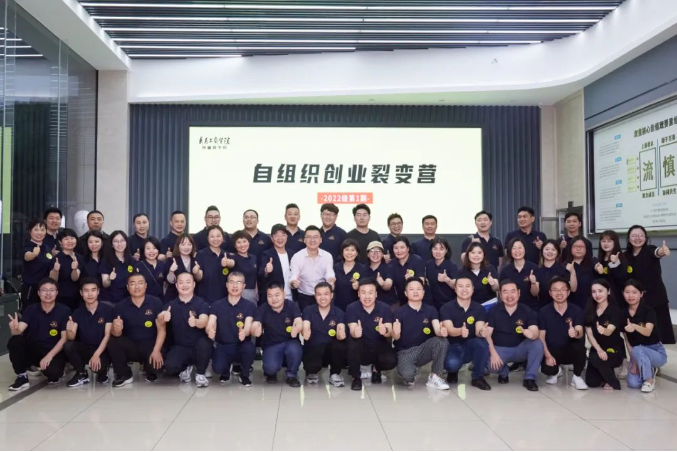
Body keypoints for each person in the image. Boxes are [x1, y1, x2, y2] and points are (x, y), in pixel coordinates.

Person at [7, 278, 70, 390]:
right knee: (15, 341)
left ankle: (52, 367)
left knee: (54, 375)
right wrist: (14, 328)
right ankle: (22, 376)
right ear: (38, 292)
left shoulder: (64, 310)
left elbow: (64, 338)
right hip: (34, 349)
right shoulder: (31, 309)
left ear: (57, 292)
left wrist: (49, 356)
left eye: (51, 290)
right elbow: (18, 331)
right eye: (44, 290)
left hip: (53, 351)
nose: (48, 293)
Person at [480, 280, 543, 391]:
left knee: (537, 343)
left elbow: (535, 331)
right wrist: (493, 354)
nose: (509, 295)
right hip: (500, 349)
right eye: (505, 292)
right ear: (500, 294)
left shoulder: (527, 311)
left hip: (520, 349)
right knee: (490, 366)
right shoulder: (493, 310)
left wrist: (531, 334)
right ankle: (504, 371)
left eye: (513, 291)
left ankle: (530, 378)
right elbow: (487, 334)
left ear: (519, 293)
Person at [107, 274, 166, 387]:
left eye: (140, 283)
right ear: (127, 287)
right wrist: (116, 329)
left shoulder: (156, 302)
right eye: (132, 283)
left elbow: (162, 330)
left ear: (145, 285)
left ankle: (149, 369)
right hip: (131, 346)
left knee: (156, 368)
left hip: (151, 346)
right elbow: (116, 334)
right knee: (113, 341)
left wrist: (157, 350)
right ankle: (124, 374)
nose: (137, 287)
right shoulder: (120, 306)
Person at [392, 277, 449, 390]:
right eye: (411, 289)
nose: (415, 292)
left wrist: (441, 331)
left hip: (424, 349)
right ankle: (409, 369)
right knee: (408, 376)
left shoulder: (431, 310)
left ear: (423, 292)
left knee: (442, 341)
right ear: (406, 293)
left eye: (419, 289)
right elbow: (396, 337)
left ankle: (434, 376)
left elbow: (437, 329)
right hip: (405, 352)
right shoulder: (399, 312)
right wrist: (395, 332)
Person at [157, 273, 211, 388]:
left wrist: (196, 322)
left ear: (194, 284)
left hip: (198, 346)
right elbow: (160, 316)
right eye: (181, 282)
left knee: (204, 344)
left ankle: (200, 373)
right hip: (180, 346)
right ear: (176, 285)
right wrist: (163, 317)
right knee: (170, 367)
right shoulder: (171, 304)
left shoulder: (201, 303)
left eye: (188, 282)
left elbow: (204, 320)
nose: (184, 285)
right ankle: (186, 367)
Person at [624, 225, 674, 344]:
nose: (637, 238)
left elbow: (657, 252)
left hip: (656, 298)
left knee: (661, 333)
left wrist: (662, 251)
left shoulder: (650, 249)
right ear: (629, 239)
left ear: (646, 238)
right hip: (638, 300)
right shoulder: (625, 256)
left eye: (641, 235)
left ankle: (660, 353)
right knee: (641, 334)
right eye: (634, 235)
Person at [439, 276, 491, 390]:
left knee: (482, 343)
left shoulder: (479, 308)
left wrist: (482, 332)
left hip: (469, 346)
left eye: (468, 286)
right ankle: (453, 372)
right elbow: (449, 330)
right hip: (452, 346)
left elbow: (478, 330)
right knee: (452, 364)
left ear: (473, 289)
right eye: (460, 286)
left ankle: (477, 377)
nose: (464, 289)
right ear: (455, 289)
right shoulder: (446, 308)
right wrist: (459, 331)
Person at [345, 279, 397, 391]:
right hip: (360, 346)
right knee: (352, 344)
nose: (367, 296)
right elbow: (352, 329)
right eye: (363, 292)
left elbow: (389, 330)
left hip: (378, 345)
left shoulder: (384, 308)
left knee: (391, 360)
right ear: (358, 294)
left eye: (370, 292)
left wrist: (385, 331)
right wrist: (355, 332)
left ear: (376, 294)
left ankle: (376, 369)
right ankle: (355, 377)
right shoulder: (352, 308)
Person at [206, 271, 257, 386]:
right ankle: (226, 371)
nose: (235, 286)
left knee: (250, 348)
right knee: (217, 368)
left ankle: (244, 375)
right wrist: (210, 330)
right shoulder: (216, 305)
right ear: (227, 285)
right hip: (224, 346)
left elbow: (248, 326)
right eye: (232, 282)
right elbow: (211, 323)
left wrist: (245, 332)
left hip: (242, 345)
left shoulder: (249, 306)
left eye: (238, 282)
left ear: (243, 286)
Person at [538, 277, 588, 390]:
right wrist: (547, 356)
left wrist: (575, 332)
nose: (559, 293)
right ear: (550, 293)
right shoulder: (543, 312)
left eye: (562, 289)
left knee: (579, 346)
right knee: (547, 369)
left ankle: (577, 376)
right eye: (555, 290)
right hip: (553, 351)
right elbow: (541, 337)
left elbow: (580, 331)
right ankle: (556, 371)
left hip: (571, 350)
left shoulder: (577, 310)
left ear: (568, 292)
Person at [63, 278, 113, 387]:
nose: (90, 294)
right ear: (81, 293)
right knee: (68, 345)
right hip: (85, 348)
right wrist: (69, 330)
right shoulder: (77, 312)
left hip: (102, 350)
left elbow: (107, 335)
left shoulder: (108, 310)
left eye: (93, 290)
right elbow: (71, 337)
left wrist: (96, 355)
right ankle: (81, 373)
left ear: (98, 291)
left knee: (98, 369)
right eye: (86, 290)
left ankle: (103, 372)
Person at [252, 282, 303, 387]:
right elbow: (255, 324)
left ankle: (292, 375)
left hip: (290, 342)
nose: (274, 299)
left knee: (295, 349)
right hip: (271, 345)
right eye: (270, 296)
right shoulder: (263, 308)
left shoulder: (292, 306)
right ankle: (271, 372)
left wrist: (297, 328)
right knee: (270, 368)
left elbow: (299, 321)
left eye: (277, 295)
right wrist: (255, 330)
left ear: (284, 294)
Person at [622, 279, 667, 393]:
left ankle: (649, 381)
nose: (630, 295)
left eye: (634, 292)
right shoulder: (623, 313)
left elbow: (647, 332)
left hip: (656, 352)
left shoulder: (649, 311)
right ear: (623, 293)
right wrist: (634, 361)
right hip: (637, 353)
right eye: (627, 292)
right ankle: (648, 368)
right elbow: (627, 340)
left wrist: (634, 326)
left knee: (638, 349)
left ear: (641, 294)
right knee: (633, 384)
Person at [302, 282, 347, 387]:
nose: (322, 297)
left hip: (330, 351)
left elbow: (340, 329)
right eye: (319, 294)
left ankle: (335, 373)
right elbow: (306, 326)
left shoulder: (339, 312)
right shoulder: (308, 310)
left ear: (331, 295)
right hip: (314, 349)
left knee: (340, 345)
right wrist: (305, 332)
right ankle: (312, 372)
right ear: (315, 296)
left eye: (326, 294)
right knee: (313, 344)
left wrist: (341, 334)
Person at [584, 279, 625, 390]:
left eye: (600, 291)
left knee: (598, 360)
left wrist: (603, 330)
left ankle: (614, 383)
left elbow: (609, 331)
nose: (597, 294)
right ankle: (605, 373)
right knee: (591, 382)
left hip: (614, 350)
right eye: (594, 291)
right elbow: (589, 335)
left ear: (608, 291)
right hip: (597, 349)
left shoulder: (615, 310)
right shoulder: (589, 310)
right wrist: (599, 350)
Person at [289, 226, 335, 310]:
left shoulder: (327, 256)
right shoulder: (297, 257)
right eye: (309, 237)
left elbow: (329, 272)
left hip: (322, 295)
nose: (312, 240)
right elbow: (294, 275)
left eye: (315, 237)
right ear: (304, 240)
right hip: (304, 297)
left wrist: (331, 279)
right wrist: (293, 282)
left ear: (320, 240)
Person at [498, 238, 539, 311]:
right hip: (511, 308)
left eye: (520, 247)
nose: (517, 251)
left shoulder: (534, 268)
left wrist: (533, 283)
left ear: (525, 249)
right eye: (514, 248)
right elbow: (502, 293)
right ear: (510, 251)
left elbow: (535, 294)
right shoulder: (505, 270)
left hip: (530, 309)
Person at [48, 228, 84, 311]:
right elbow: (52, 280)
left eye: (72, 238)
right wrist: (55, 270)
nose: (70, 241)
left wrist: (74, 269)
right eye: (66, 239)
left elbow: (75, 278)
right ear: (60, 242)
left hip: (77, 296)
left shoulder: (79, 257)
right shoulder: (56, 258)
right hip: (61, 296)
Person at [21, 220, 54, 308]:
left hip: (45, 289)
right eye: (36, 230)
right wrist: (33, 254)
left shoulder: (47, 248)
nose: (39, 233)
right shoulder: (28, 246)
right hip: (31, 288)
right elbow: (27, 256)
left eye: (42, 230)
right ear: (29, 231)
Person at [535, 239, 576, 308]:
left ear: (558, 253)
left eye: (553, 250)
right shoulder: (537, 270)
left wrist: (572, 272)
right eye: (547, 249)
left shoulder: (563, 269)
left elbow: (573, 289)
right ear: (542, 251)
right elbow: (535, 293)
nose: (550, 252)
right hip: (542, 308)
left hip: (562, 307)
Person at [194, 226, 230, 304]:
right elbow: (198, 278)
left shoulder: (227, 255)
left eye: (218, 236)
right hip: (205, 300)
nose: (215, 239)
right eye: (212, 236)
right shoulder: (201, 254)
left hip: (224, 300)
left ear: (223, 238)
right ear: (207, 238)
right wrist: (196, 272)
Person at [389, 236, 426, 307]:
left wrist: (412, 279)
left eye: (402, 247)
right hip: (401, 301)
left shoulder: (417, 260)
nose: (399, 251)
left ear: (408, 248)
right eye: (396, 248)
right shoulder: (392, 264)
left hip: (420, 300)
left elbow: (422, 282)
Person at [259, 224, 293, 301]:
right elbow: (261, 275)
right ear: (272, 238)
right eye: (277, 235)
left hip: (291, 296)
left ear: (287, 237)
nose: (280, 238)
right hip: (274, 298)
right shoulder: (267, 254)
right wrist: (266, 271)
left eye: (283, 235)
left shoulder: (292, 254)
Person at [100, 231, 135, 304]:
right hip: (109, 301)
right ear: (112, 244)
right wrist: (109, 279)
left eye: (122, 241)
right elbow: (105, 284)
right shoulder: (106, 260)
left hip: (127, 300)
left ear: (126, 242)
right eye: (116, 241)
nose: (119, 244)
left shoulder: (132, 260)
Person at [332, 239, 367, 311]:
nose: (349, 253)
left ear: (357, 253)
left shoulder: (362, 269)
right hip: (337, 308)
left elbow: (366, 289)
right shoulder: (336, 267)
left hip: (355, 309)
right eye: (347, 250)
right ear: (342, 252)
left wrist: (359, 287)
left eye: (353, 250)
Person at [595, 230, 628, 305]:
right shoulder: (600, 260)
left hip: (617, 300)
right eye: (603, 241)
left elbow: (621, 280)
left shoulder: (621, 258)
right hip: (602, 300)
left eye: (609, 241)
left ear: (615, 242)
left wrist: (615, 263)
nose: (606, 244)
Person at [425, 237, 458, 309]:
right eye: (435, 249)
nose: (438, 252)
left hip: (448, 304)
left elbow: (456, 286)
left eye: (441, 249)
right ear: (431, 250)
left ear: (446, 250)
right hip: (431, 304)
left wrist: (447, 279)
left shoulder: (452, 266)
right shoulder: (428, 265)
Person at [566, 236, 598, 310]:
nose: (578, 249)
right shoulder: (566, 266)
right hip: (572, 306)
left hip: (592, 306)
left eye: (581, 246)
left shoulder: (593, 263)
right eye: (575, 246)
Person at [165, 233, 200, 301]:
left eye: (189, 244)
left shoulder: (196, 260)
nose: (186, 247)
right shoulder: (171, 260)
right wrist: (171, 271)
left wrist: (197, 272)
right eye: (183, 244)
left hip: (192, 298)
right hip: (173, 298)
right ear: (178, 246)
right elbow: (169, 281)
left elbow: (199, 280)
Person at [363, 241, 398, 308]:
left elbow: (388, 285)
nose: (375, 253)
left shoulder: (389, 268)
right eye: (372, 250)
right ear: (368, 254)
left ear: (382, 254)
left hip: (388, 305)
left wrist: (383, 284)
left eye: (378, 251)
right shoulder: (363, 269)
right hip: (368, 305)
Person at [228, 230, 259, 305]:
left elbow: (255, 276)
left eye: (244, 241)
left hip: (252, 293)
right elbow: (230, 263)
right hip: (237, 293)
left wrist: (256, 292)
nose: (242, 245)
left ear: (249, 242)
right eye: (239, 242)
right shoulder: (232, 257)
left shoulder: (253, 257)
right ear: (235, 245)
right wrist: (227, 262)